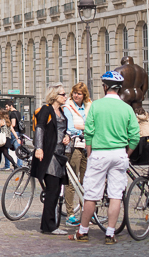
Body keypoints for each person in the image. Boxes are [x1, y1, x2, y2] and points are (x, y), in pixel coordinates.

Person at [70, 71, 139, 245]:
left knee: (91, 195)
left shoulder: (96, 106)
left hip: (100, 153)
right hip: (119, 153)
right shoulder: (127, 108)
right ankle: (110, 233)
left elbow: (89, 132)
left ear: (105, 87)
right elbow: (135, 136)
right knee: (116, 195)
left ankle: (83, 231)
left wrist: (90, 151)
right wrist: (127, 153)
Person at [31, 83, 72, 235]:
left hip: (60, 155)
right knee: (52, 190)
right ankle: (50, 226)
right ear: (55, 96)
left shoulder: (62, 112)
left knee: (55, 191)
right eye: (63, 94)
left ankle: (49, 224)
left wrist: (67, 137)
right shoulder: (46, 110)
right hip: (49, 156)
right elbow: (40, 128)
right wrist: (39, 148)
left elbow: (64, 131)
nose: (65, 96)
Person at [63, 82, 92, 225]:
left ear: (84, 95)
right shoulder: (69, 106)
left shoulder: (88, 106)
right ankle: (70, 214)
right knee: (72, 181)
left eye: (79, 93)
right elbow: (71, 127)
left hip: (87, 145)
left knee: (85, 181)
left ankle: (86, 212)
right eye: (74, 92)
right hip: (75, 146)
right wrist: (83, 129)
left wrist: (83, 128)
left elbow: (92, 124)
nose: (76, 95)